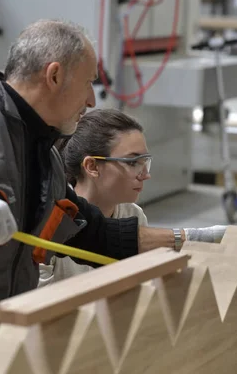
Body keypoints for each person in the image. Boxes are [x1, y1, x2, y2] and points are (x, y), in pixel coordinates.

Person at [0, 19, 222, 370]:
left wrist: (191, 238)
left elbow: (94, 235)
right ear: (54, 76)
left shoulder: (44, 156)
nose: (90, 99)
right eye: (88, 83)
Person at [39, 108, 226, 286]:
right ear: (92, 166)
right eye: (133, 162)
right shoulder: (53, 220)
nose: (145, 174)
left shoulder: (132, 215)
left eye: (145, 163)